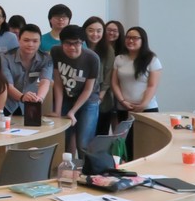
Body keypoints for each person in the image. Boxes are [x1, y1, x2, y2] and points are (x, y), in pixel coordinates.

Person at [112, 26, 162, 159]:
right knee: (126, 145)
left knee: (146, 144)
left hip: (147, 109)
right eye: (128, 38)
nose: (130, 41)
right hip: (124, 108)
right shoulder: (119, 59)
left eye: (135, 38)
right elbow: (115, 83)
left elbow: (152, 85)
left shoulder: (152, 59)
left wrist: (143, 104)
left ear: (142, 40)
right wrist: (122, 101)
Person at [50, 25, 101, 154]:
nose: (72, 47)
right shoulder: (56, 52)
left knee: (83, 143)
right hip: (67, 96)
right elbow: (58, 82)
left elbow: (88, 89)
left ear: (82, 42)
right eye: (67, 43)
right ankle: (68, 171)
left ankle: (87, 171)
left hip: (88, 100)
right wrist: (57, 111)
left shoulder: (92, 58)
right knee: (64, 139)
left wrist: (72, 111)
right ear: (61, 43)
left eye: (76, 43)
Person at [2, 24, 52, 116]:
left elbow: (45, 81)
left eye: (35, 41)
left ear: (40, 42)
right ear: (18, 40)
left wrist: (40, 98)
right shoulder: (5, 58)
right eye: (26, 40)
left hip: (31, 104)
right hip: (7, 103)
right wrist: (22, 97)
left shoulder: (46, 58)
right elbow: (8, 85)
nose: (30, 44)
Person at [83, 16, 116, 135]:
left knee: (100, 134)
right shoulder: (79, 47)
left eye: (99, 31)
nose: (95, 34)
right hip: (81, 96)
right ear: (84, 31)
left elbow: (108, 76)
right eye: (90, 30)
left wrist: (100, 97)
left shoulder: (108, 49)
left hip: (101, 98)